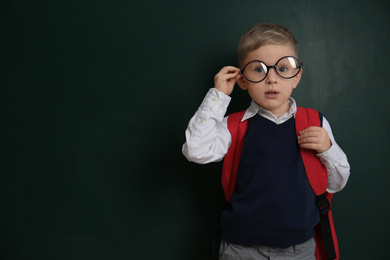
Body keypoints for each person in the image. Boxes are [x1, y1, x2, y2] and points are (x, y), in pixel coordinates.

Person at [182, 23, 350, 260]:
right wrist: (218, 96)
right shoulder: (233, 126)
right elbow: (195, 151)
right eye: (258, 69)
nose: (272, 79)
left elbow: (335, 184)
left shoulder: (315, 121)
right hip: (240, 248)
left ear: (297, 77)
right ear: (242, 80)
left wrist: (328, 150)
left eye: (283, 68)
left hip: (298, 249)